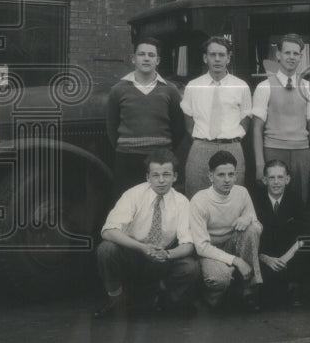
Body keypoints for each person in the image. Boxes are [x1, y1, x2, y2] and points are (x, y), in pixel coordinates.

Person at [94, 148, 198, 318]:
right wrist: (142, 247)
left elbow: (188, 244)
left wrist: (168, 254)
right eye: (156, 175)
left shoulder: (182, 202)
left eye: (166, 174)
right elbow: (108, 231)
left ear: (175, 177)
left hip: (161, 257)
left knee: (190, 268)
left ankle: (161, 295)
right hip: (133, 252)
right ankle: (116, 299)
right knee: (106, 250)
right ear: (147, 177)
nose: (162, 180)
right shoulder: (133, 195)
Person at [106, 38, 186, 195]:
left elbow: (178, 127)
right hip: (127, 159)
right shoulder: (118, 90)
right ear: (133, 58)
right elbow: (111, 127)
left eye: (151, 55)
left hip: (160, 159)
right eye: (141, 54)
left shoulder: (170, 90)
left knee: (159, 202)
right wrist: (126, 147)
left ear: (158, 60)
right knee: (128, 204)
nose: (146, 58)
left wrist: (163, 149)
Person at [188, 150, 264, 311]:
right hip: (210, 251)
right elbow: (201, 247)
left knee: (251, 229)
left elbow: (258, 228)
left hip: (233, 245)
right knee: (220, 278)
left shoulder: (241, 193)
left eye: (231, 174)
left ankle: (248, 290)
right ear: (210, 176)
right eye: (221, 175)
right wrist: (236, 261)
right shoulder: (200, 200)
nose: (227, 180)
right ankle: (212, 300)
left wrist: (248, 218)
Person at [251, 33, 310, 205]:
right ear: (278, 55)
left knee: (300, 201)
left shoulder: (308, 87)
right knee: (272, 201)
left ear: (300, 57)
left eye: (295, 54)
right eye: (287, 53)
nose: (291, 57)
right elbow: (257, 128)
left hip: (302, 153)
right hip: (273, 150)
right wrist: (260, 164)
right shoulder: (264, 86)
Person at [181, 36, 253, 196]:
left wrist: (232, 138)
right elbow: (188, 123)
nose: (217, 59)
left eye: (222, 55)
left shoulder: (241, 86)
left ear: (228, 58)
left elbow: (246, 119)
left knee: (232, 198)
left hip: (232, 147)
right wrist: (202, 140)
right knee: (196, 197)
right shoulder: (193, 86)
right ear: (205, 58)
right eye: (213, 55)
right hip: (201, 148)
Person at [252, 158, 310, 308]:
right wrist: (266, 258)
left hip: (289, 256)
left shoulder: (295, 199)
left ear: (287, 179)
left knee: (306, 259)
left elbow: (309, 229)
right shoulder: (255, 201)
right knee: (265, 284)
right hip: (264, 256)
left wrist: (286, 257)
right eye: (271, 178)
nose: (276, 182)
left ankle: (292, 288)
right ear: (264, 180)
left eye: (280, 177)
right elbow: (251, 236)